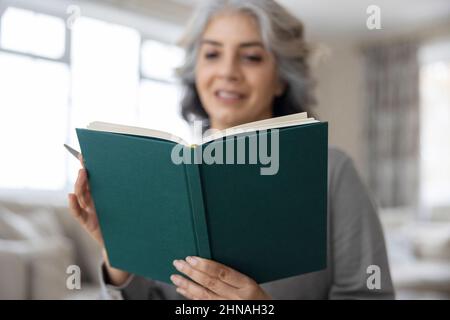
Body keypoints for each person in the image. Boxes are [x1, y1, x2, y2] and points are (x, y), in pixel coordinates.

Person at [68, 0, 395, 300]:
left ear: (281, 78)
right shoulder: (160, 172)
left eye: (251, 56)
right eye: (212, 54)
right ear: (196, 71)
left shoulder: (331, 171)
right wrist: (119, 254)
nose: (227, 71)